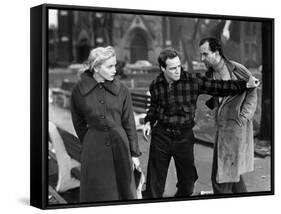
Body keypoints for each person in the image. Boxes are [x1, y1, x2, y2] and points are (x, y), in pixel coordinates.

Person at [142, 47, 259, 198]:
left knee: (188, 184)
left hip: (183, 137)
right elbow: (154, 108)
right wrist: (148, 122)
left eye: (179, 66)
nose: (178, 71)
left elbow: (220, 87)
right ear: (163, 68)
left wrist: (244, 85)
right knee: (154, 186)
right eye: (172, 68)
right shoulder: (155, 85)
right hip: (161, 136)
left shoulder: (192, 81)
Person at [71, 46, 141, 202]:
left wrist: (134, 153)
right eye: (109, 66)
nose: (115, 70)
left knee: (124, 192)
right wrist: (92, 141)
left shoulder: (122, 90)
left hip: (121, 146)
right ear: (96, 67)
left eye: (115, 65)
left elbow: (129, 122)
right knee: (98, 193)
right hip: (94, 151)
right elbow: (79, 123)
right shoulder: (79, 90)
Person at [199, 37, 258, 194]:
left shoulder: (237, 69)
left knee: (221, 179)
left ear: (216, 52)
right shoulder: (210, 75)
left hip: (236, 129)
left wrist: (244, 116)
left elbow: (252, 91)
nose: (201, 59)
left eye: (205, 54)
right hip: (221, 130)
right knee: (231, 174)